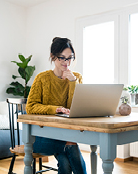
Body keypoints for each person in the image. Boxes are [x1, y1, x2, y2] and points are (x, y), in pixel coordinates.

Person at [26, 37, 87, 174]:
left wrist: (72, 82)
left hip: (65, 134)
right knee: (71, 144)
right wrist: (55, 109)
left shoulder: (76, 78)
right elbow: (30, 106)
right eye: (62, 58)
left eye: (70, 58)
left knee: (65, 163)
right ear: (53, 57)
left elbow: (76, 108)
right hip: (41, 137)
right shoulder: (42, 78)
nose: (67, 62)